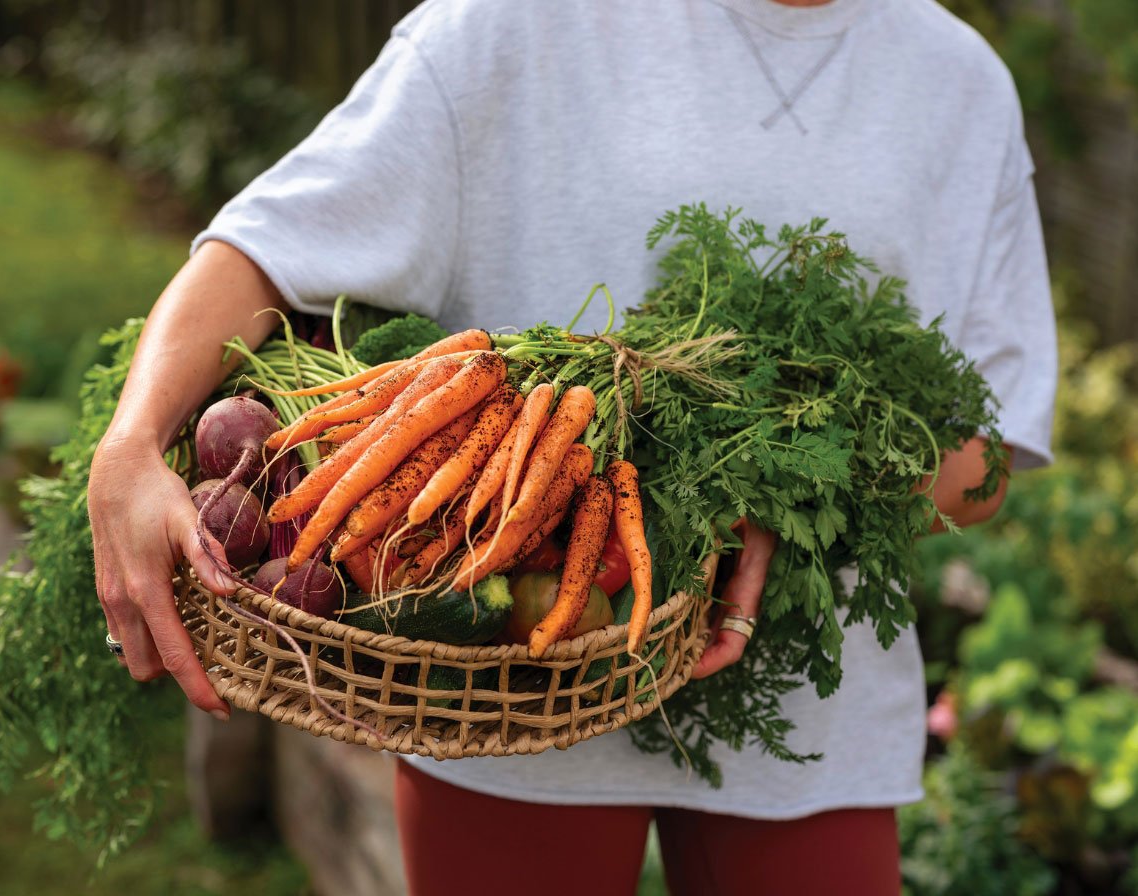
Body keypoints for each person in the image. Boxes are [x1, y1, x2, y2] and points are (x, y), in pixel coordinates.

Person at [87, 0, 1057, 892]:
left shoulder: (957, 82)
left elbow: (989, 453)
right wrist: (131, 444)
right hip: (504, 696)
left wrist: (801, 497)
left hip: (805, 702)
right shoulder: (508, 25)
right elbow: (266, 246)